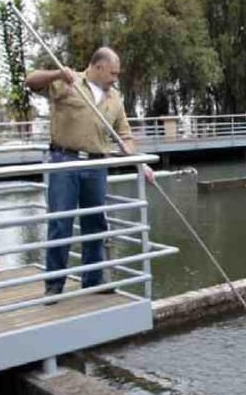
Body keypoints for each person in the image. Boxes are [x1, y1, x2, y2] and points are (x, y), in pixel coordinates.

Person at [25, 47, 153, 299]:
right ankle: (54, 286)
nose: (115, 78)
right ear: (97, 67)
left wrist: (140, 162)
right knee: (61, 223)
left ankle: (92, 280)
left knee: (95, 223)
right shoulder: (67, 81)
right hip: (65, 161)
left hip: (97, 165)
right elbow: (31, 81)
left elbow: (124, 135)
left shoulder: (115, 97)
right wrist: (56, 74)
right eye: (112, 73)